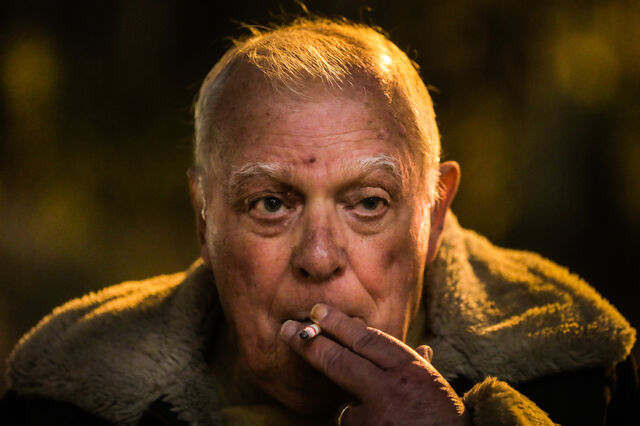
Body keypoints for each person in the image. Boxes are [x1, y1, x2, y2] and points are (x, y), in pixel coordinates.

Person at [1, 17, 638, 426]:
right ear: (204, 218)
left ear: (435, 212)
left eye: (368, 203)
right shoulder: (66, 393)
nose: (320, 258)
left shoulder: (584, 371)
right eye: (271, 204)